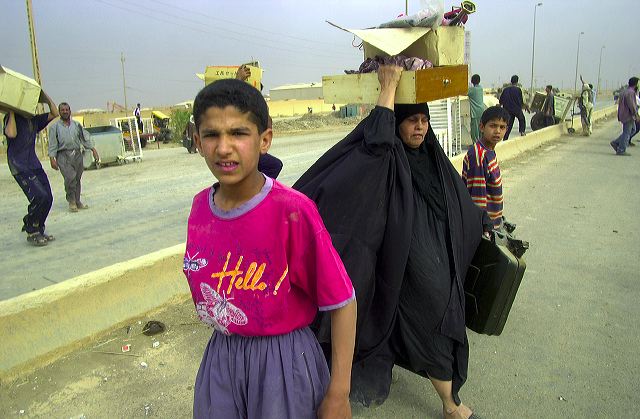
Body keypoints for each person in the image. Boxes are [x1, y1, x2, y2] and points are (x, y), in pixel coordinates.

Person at [294, 65, 490, 419]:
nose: (419, 127)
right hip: (399, 259)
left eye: (424, 121)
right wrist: (389, 86)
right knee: (431, 317)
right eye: (411, 120)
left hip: (433, 257)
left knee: (432, 315)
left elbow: (458, 198)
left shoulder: (432, 157)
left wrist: (483, 221)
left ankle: (447, 398)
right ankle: (451, 404)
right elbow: (377, 140)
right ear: (397, 122)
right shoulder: (388, 155)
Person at [185, 78, 357, 419]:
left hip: (284, 365)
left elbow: (343, 302)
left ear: (264, 139)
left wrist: (339, 392)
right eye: (211, 135)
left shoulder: (292, 211)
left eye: (238, 133)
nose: (223, 147)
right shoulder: (199, 208)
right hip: (222, 362)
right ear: (197, 141)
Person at [2, 91, 59, 246]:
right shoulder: (12, 118)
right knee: (39, 196)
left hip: (33, 164)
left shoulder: (34, 120)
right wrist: (11, 110)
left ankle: (39, 227)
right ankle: (31, 229)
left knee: (48, 197)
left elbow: (55, 112)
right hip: (19, 165)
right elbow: (11, 134)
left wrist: (44, 96)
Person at [462, 106, 510, 230]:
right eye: (493, 126)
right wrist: (484, 227)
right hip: (484, 226)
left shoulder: (489, 150)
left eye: (502, 127)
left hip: (492, 220)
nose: (498, 131)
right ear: (482, 127)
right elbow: (478, 196)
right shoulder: (479, 156)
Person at [48, 102, 100, 212]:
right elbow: (52, 144)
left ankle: (77, 201)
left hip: (77, 154)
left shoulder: (76, 125)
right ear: (59, 112)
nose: (65, 111)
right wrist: (52, 159)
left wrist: (93, 150)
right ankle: (71, 201)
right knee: (70, 177)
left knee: (77, 178)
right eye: (62, 110)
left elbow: (84, 139)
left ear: (70, 111)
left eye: (67, 109)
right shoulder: (55, 128)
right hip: (63, 156)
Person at [236, 65, 284, 178]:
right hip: (247, 148)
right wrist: (239, 80)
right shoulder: (244, 105)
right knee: (274, 165)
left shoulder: (258, 104)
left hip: (256, 147)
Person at [610, 77, 639, 156]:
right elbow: (632, 105)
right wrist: (636, 115)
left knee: (633, 130)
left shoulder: (624, 91)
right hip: (628, 115)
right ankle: (621, 150)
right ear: (636, 84)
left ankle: (616, 142)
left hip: (623, 114)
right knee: (627, 132)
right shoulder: (631, 93)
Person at [499, 75, 528, 140]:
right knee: (522, 119)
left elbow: (501, 101)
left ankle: (505, 138)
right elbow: (521, 101)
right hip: (516, 109)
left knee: (509, 125)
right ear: (517, 82)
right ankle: (522, 132)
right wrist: (525, 107)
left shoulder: (505, 90)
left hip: (507, 110)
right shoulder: (518, 90)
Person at [467, 74, 485, 143]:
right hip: (481, 111)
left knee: (474, 132)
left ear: (472, 81)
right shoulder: (480, 88)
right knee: (481, 129)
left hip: (475, 113)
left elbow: (463, 92)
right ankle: (482, 144)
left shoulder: (472, 90)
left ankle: (476, 145)